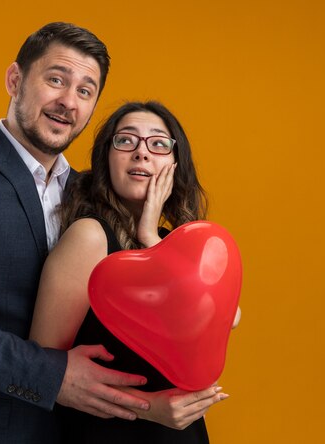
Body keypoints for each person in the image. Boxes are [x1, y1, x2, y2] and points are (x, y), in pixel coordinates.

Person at [0, 22, 165, 443]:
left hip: (75, 430)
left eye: (85, 90)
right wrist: (51, 376)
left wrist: (149, 231)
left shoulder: (89, 191)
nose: (67, 102)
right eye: (56, 79)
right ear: (15, 80)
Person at [30, 101, 237, 443]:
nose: (141, 153)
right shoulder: (90, 238)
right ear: (106, 159)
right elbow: (42, 369)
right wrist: (145, 407)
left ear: (174, 163)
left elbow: (229, 315)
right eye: (125, 141)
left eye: (158, 144)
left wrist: (150, 238)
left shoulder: (173, 243)